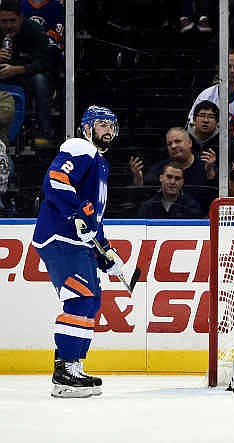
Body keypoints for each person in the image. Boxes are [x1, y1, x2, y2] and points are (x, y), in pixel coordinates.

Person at [31, 105, 125, 398]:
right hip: (61, 237)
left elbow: (92, 218)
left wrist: (104, 251)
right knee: (80, 297)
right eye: (100, 123)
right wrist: (76, 215)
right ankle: (64, 371)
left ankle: (74, 367)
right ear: (86, 128)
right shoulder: (79, 147)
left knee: (90, 300)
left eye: (111, 124)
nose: (107, 128)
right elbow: (56, 180)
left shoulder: (100, 163)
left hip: (77, 241)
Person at [0, 0, 52, 147]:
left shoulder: (34, 30)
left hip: (26, 75)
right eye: (4, 21)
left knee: (40, 80)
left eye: (12, 21)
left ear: (21, 18)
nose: (8, 26)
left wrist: (18, 69)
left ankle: (45, 134)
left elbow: (45, 62)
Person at [128, 127, 217, 187]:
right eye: (169, 144)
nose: (173, 146)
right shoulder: (160, 169)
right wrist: (138, 179)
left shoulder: (206, 167)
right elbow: (145, 195)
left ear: (190, 143)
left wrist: (209, 173)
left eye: (177, 141)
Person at [137, 163, 204, 219]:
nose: (172, 182)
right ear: (161, 178)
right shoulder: (148, 207)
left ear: (182, 182)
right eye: (169, 177)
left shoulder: (192, 208)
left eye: (177, 178)